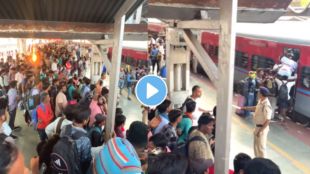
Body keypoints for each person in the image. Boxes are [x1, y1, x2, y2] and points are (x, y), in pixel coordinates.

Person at [242, 87, 272, 158]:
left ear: (261, 94)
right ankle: (257, 160)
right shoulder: (261, 100)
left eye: (259, 92)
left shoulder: (266, 105)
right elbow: (256, 107)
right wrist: (246, 108)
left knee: (261, 148)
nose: (258, 93)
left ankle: (262, 163)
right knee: (255, 146)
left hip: (262, 129)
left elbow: (268, 120)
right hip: (257, 127)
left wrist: (260, 131)